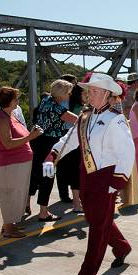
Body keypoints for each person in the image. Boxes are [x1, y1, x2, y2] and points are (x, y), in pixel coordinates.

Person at [42, 73, 135, 275]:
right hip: (86, 176)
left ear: (106, 93)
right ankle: (121, 247)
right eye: (89, 90)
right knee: (95, 220)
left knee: (98, 228)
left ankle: (87, 273)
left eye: (95, 91)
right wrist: (51, 157)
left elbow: (127, 152)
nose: (90, 94)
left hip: (106, 178)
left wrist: (117, 182)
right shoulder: (84, 117)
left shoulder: (115, 119)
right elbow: (68, 141)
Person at [0, 87, 42, 237]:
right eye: (15, 98)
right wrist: (31, 137)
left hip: (18, 162)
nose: (18, 100)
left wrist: (30, 134)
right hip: (8, 163)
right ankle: (8, 228)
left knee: (16, 194)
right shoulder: (1, 118)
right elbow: (8, 143)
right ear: (9, 100)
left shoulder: (10, 115)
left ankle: (9, 225)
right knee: (9, 194)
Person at [28, 79, 78, 221]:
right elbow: (76, 119)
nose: (69, 95)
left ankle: (26, 204)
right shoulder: (57, 107)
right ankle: (44, 212)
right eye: (68, 93)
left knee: (36, 175)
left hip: (39, 142)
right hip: (50, 145)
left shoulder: (46, 101)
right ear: (61, 94)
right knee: (47, 177)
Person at [56, 77, 85, 211]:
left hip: (63, 137)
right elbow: (78, 122)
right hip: (71, 137)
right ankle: (76, 201)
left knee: (62, 169)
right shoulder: (70, 104)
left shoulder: (55, 103)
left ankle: (66, 196)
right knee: (74, 170)